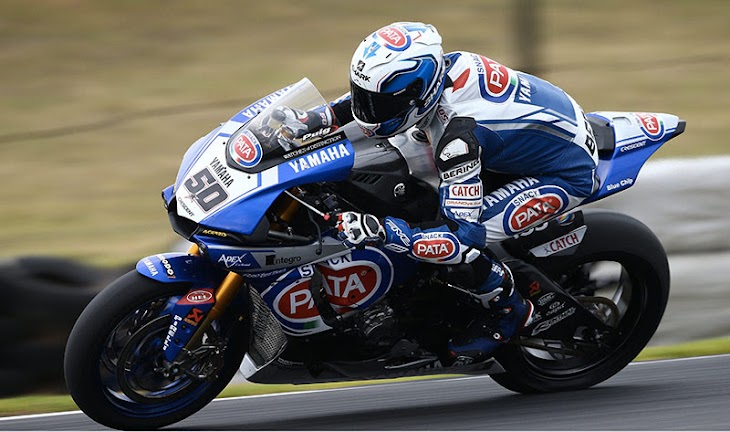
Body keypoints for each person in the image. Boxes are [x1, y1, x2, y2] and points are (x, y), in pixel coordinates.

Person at [269, 22, 599, 365]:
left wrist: (383, 231)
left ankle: (509, 311)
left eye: (377, 105)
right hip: (525, 137)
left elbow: (463, 238)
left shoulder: (457, 139)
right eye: (365, 97)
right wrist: (314, 119)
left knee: (462, 245)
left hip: (564, 172)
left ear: (418, 95)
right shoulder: (436, 73)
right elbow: (368, 103)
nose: (366, 111)